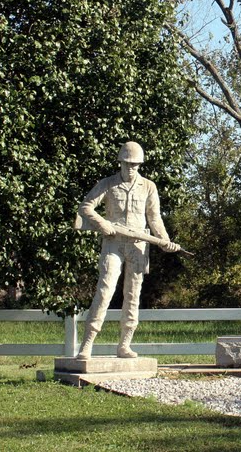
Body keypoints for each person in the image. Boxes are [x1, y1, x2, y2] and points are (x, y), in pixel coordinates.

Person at [74, 141, 179, 359]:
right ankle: (87, 345)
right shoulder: (108, 184)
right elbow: (85, 207)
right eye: (127, 164)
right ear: (120, 162)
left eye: (135, 165)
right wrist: (103, 224)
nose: (131, 168)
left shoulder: (149, 186)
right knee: (105, 290)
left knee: (133, 295)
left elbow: (154, 217)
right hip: (113, 243)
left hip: (138, 245)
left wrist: (164, 240)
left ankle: (125, 344)